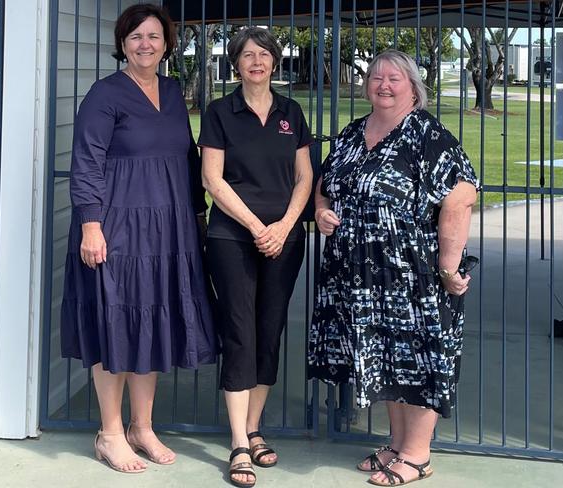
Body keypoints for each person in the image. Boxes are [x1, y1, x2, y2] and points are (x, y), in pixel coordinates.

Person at [308, 49, 479, 486]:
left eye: (394, 79)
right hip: (358, 275)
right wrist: (323, 212)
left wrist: (447, 264)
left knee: (419, 360)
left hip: (412, 273)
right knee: (387, 360)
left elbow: (461, 195)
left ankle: (418, 455)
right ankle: (396, 443)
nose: (383, 84)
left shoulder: (427, 134)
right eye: (376, 77)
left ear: (413, 86)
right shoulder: (351, 133)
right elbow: (325, 186)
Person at [60, 3, 217, 474]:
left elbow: (186, 157)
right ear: (122, 44)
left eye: (153, 36)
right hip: (116, 228)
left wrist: (196, 212)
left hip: (168, 228)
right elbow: (86, 161)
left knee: (152, 322)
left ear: (167, 43)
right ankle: (110, 433)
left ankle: (142, 427)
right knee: (115, 321)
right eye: (135, 37)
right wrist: (91, 224)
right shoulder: (104, 95)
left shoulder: (171, 91)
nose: (145, 45)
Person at [199, 27, 313, 488]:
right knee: (240, 331)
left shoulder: (292, 111)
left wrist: (284, 227)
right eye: (247, 55)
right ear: (236, 64)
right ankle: (238, 444)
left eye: (264, 55)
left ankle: (254, 427)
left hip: (284, 238)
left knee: (269, 329)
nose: (256, 62)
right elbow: (212, 179)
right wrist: (255, 227)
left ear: (275, 62)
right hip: (233, 237)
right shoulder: (219, 112)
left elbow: (306, 177)